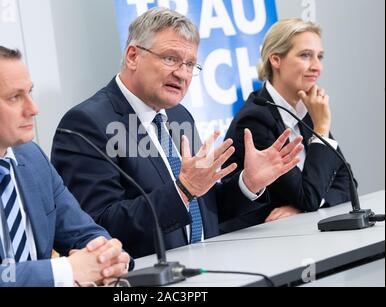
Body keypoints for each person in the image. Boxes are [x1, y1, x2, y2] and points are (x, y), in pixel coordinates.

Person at [51, 8, 304, 258]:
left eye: (190, 64)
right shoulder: (85, 124)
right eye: (170, 58)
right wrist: (182, 189)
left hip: (210, 269)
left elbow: (205, 208)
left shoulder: (179, 116)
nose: (182, 74)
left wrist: (248, 183)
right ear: (132, 56)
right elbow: (98, 229)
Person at [0, 44, 130, 287]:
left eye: (30, 92)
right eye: (15, 97)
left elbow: (84, 232)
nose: (33, 109)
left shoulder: (31, 157)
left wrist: (105, 255)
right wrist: (64, 271)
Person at [223, 18, 352, 229]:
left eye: (320, 57)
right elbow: (308, 196)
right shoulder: (254, 119)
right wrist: (321, 129)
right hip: (257, 243)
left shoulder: (308, 109)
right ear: (276, 60)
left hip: (298, 231)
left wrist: (302, 209)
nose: (316, 67)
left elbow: (347, 183)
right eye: (305, 55)